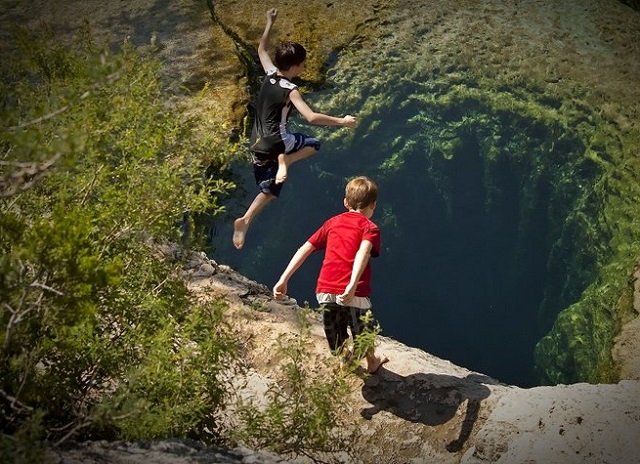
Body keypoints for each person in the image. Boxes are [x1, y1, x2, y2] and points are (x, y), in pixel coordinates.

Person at [233, 8, 357, 250]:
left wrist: (269, 22)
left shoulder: (269, 74)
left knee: (269, 188)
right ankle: (286, 161)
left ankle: (246, 219)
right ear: (294, 66)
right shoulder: (291, 89)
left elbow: (261, 49)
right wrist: (342, 121)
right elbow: (310, 117)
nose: (302, 69)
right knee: (313, 145)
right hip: (278, 142)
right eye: (301, 65)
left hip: (256, 143)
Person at [273, 176, 388, 374]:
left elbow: (305, 248)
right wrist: (351, 285)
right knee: (363, 330)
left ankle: (348, 360)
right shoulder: (370, 228)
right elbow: (364, 252)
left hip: (325, 289)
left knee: (336, 334)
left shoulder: (332, 223)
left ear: (346, 202)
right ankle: (371, 361)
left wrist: (283, 279)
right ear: (373, 205)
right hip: (354, 292)